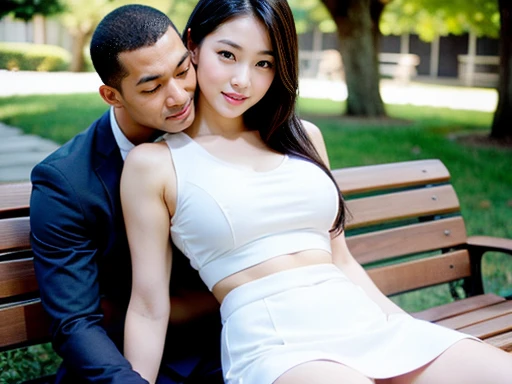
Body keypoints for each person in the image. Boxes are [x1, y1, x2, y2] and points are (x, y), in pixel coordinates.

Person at [120, 0, 512, 383]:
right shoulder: (155, 165)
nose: (243, 79)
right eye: (227, 54)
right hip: (277, 343)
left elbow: (341, 260)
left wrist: (401, 325)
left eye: (264, 63)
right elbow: (149, 307)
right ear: (192, 45)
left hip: (365, 322)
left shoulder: (304, 138)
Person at [29, 4, 222, 383]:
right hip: (128, 365)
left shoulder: (225, 130)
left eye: (183, 71)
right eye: (152, 87)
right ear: (112, 95)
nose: (179, 96)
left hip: (226, 349)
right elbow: (76, 323)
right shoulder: (65, 183)